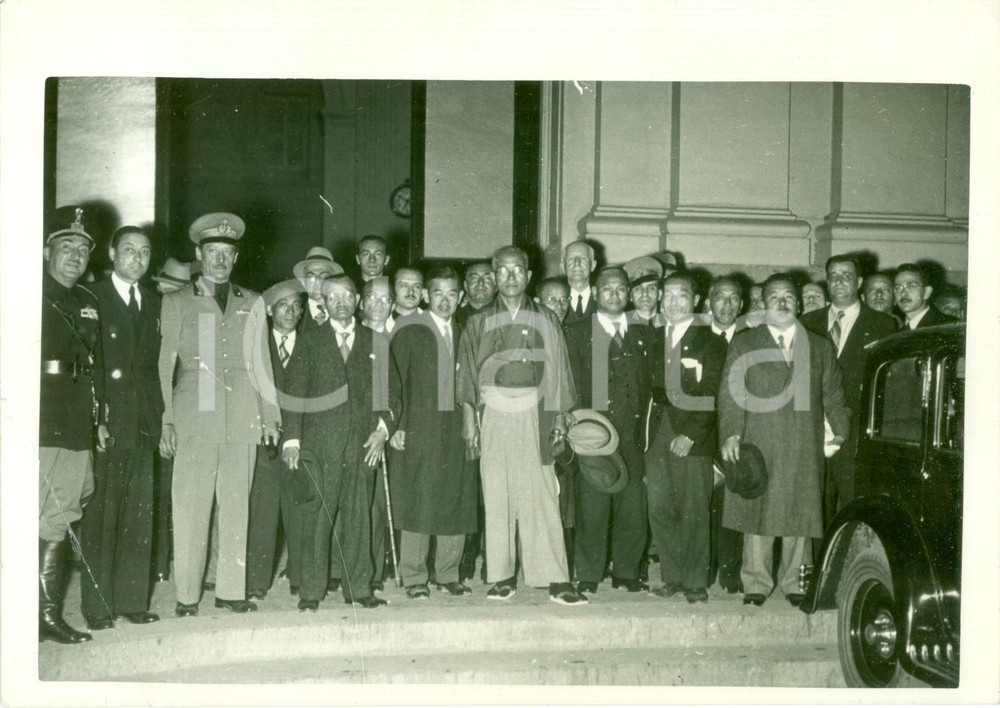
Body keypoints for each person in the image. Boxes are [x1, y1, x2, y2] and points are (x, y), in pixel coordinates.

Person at [158, 212, 281, 617]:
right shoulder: (178, 301)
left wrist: (270, 415)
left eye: (227, 253)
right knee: (191, 505)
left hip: (243, 412)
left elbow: (260, 362)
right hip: (196, 410)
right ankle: (187, 594)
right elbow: (165, 364)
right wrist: (167, 419)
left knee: (236, 504)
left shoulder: (253, 301)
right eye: (213, 252)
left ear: (236, 256)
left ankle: (230, 590)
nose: (220, 260)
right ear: (199, 254)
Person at [456, 245, 587, 605]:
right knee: (497, 491)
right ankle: (500, 576)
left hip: (536, 407)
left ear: (529, 276)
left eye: (517, 270)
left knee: (541, 490)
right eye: (503, 271)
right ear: (495, 276)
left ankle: (555, 578)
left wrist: (559, 417)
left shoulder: (545, 317)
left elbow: (559, 369)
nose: (510, 277)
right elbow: (466, 372)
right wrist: (470, 419)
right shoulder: (478, 320)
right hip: (493, 408)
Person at [719, 274, 850, 608]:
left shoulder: (819, 345)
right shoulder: (745, 343)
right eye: (774, 296)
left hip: (804, 442)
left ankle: (796, 581)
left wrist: (840, 428)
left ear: (799, 304)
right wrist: (731, 433)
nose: (782, 303)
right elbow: (730, 394)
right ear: (763, 304)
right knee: (757, 513)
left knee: (801, 512)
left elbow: (833, 393)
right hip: (758, 441)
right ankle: (757, 583)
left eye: (788, 297)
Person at [281, 274, 401, 610]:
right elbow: (294, 393)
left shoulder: (375, 340)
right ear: (324, 302)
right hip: (320, 446)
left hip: (363, 444)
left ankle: (359, 588)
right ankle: (311, 591)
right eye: (333, 297)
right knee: (319, 518)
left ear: (357, 300)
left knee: (359, 517)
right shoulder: (309, 340)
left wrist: (382, 431)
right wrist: (292, 441)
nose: (342, 302)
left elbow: (392, 394)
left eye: (348, 295)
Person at [79, 226, 163, 630]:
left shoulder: (154, 301)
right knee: (101, 514)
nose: (136, 257)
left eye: (144, 252)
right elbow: (88, 363)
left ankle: (131, 600)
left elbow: (154, 369)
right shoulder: (91, 296)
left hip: (144, 421)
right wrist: (96, 417)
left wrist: (161, 419)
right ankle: (97, 606)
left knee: (138, 514)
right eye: (128, 249)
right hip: (109, 421)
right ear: (112, 253)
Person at [389, 266, 479, 599]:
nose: (445, 300)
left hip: (456, 429)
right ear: (426, 296)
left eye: (452, 293)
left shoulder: (466, 331)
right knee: (418, 497)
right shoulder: (410, 328)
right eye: (438, 293)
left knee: (456, 496)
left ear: (461, 297)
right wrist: (397, 425)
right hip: (420, 427)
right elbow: (394, 381)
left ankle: (448, 573)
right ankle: (414, 576)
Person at [565, 267, 654, 595]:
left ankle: (627, 571)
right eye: (607, 289)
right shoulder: (576, 333)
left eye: (620, 289)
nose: (614, 295)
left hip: (633, 433)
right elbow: (569, 384)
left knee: (633, 506)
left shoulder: (644, 333)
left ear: (628, 294)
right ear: (595, 292)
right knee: (593, 505)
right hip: (595, 434)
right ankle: (589, 573)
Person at [39, 206, 104, 644]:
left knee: (61, 513)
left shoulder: (87, 302)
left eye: (82, 249)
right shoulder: (25, 293)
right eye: (66, 246)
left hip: (77, 420)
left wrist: (97, 419)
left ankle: (43, 617)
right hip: (38, 417)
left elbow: (94, 367)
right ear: (47, 251)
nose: (75, 256)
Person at [644, 272, 727, 603]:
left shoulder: (711, 342)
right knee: (660, 508)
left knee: (693, 508)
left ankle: (695, 581)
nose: (672, 302)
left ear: (695, 301)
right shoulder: (654, 338)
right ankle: (672, 576)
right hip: (657, 433)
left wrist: (691, 435)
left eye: (681, 296)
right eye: (667, 295)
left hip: (692, 435)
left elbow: (713, 393)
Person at [801, 255, 897, 521]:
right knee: (814, 505)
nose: (839, 281)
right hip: (814, 428)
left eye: (846, 275)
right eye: (833, 275)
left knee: (852, 503)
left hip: (856, 431)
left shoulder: (883, 324)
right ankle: (814, 562)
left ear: (859, 282)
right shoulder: (808, 323)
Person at [245, 287, 305, 600]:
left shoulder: (309, 343)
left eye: (297, 306)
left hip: (300, 439)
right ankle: (257, 581)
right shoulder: (258, 343)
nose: (291, 312)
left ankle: (299, 577)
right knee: (263, 510)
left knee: (298, 509)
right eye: (283, 306)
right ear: (269, 310)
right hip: (264, 438)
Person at [704, 275, 748, 594]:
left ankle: (731, 570)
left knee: (734, 503)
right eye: (721, 297)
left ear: (742, 305)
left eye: (734, 298)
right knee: (702, 503)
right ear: (709, 302)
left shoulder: (752, 340)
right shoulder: (694, 338)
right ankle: (703, 568)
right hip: (701, 434)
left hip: (738, 435)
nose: (727, 304)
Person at [149, 258, 192, 583]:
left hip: (178, 413)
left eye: (178, 289)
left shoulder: (186, 318)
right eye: (167, 286)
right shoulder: (149, 313)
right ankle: (158, 561)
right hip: (152, 411)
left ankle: (165, 562)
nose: (170, 294)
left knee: (171, 491)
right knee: (156, 495)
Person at [294, 246, 344, 330]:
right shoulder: (294, 314)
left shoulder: (344, 312)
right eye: (311, 276)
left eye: (324, 276)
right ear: (303, 282)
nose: (317, 281)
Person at [894, 263, 957, 329]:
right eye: (898, 288)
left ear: (926, 292)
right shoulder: (899, 331)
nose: (903, 293)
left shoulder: (947, 325)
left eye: (911, 286)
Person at [561, 241, 597, 326]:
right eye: (571, 258)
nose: (577, 263)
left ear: (593, 265)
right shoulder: (555, 302)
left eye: (583, 258)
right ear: (563, 266)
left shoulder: (602, 300)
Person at [624, 256, 665, 328]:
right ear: (630, 296)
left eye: (651, 288)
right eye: (638, 289)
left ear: (660, 294)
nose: (645, 293)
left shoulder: (670, 326)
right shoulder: (621, 328)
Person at [454, 261, 497, 327]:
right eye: (474, 278)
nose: (480, 283)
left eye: (487, 278)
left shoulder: (507, 317)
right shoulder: (454, 319)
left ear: (496, 286)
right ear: (466, 286)